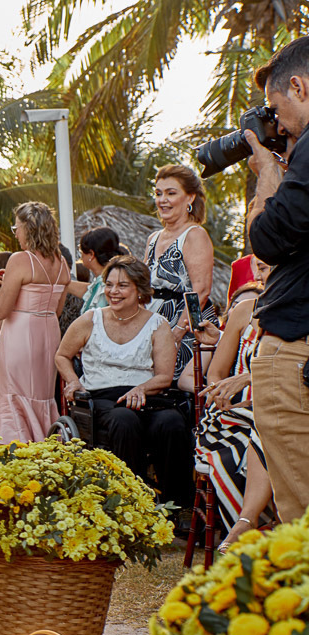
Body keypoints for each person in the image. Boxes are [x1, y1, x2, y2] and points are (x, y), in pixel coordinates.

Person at [55, 256, 191, 508]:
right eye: (109, 285)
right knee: (124, 419)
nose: (113, 291)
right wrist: (73, 381)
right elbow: (62, 355)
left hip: (146, 397)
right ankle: (129, 502)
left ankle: (178, 505)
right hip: (100, 399)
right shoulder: (90, 320)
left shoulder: (157, 325)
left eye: (122, 285)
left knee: (172, 423)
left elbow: (164, 375)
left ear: (140, 289)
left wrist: (141, 388)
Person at [245, 35, 309, 522]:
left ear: (299, 87)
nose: (278, 123)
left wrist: (268, 172)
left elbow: (267, 239)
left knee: (302, 515)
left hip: (294, 343)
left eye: (276, 107)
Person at [192, 259, 274, 545]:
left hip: (276, 413)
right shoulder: (244, 311)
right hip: (230, 419)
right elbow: (215, 373)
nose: (263, 274)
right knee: (251, 443)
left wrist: (250, 378)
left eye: (269, 267)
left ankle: (247, 530)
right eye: (260, 267)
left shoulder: (299, 315)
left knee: (268, 427)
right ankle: (256, 531)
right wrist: (221, 395)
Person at [0, 202, 70, 443]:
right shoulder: (61, 262)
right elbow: (57, 309)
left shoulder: (20, 259)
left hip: (20, 334)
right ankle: (44, 440)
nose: (16, 234)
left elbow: (1, 310)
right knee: (42, 394)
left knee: (14, 393)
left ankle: (15, 446)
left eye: (17, 228)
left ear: (29, 228)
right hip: (49, 333)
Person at [144, 165, 218, 379]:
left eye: (171, 193)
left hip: (187, 329)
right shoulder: (153, 238)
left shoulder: (194, 235)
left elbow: (200, 292)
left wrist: (177, 333)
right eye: (159, 193)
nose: (162, 200)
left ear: (190, 198)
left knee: (180, 388)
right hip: (156, 326)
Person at [67, 227, 127, 313]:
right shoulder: (101, 282)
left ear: (91, 254)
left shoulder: (108, 284)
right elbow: (88, 290)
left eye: (81, 251)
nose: (81, 256)